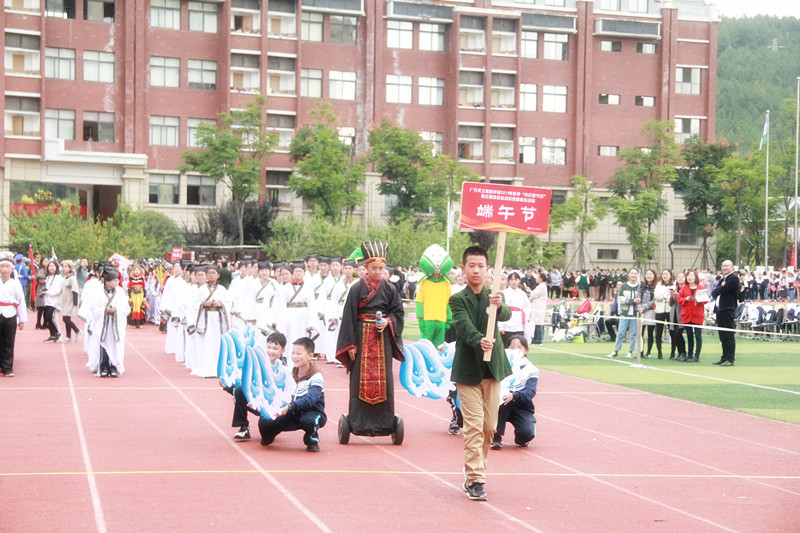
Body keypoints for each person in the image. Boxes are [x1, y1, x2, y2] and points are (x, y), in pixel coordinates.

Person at [449, 245, 512, 502]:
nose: (476, 270)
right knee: (474, 426)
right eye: (471, 266)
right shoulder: (457, 299)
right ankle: (476, 479)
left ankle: (475, 470)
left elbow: (506, 315)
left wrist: (500, 304)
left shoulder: (494, 296)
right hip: (468, 371)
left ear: (488, 270)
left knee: (489, 428)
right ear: (463, 269)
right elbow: (463, 326)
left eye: (481, 266)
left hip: (492, 369)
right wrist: (479, 340)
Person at [336, 241, 405, 437]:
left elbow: (398, 313)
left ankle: (385, 423)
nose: (377, 272)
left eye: (381, 268)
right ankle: (358, 422)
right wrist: (350, 344)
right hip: (360, 338)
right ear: (366, 268)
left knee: (384, 380)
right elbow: (349, 317)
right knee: (359, 380)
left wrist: (388, 322)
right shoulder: (356, 289)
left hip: (383, 340)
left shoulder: (390, 289)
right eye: (373, 268)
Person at [259, 337, 326, 452]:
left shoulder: (316, 376)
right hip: (290, 412)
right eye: (293, 353)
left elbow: (310, 399)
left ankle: (311, 440)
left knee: (309, 421)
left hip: (311, 412)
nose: (295, 357)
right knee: (265, 421)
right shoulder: (288, 372)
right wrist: (259, 402)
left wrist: (290, 406)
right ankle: (269, 435)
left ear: (310, 356)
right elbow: (274, 390)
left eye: (299, 354)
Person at [227, 332, 290, 440]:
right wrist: (227, 384)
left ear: (283, 350)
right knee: (239, 390)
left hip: (276, 407)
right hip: (258, 402)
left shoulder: (285, 369)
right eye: (268, 347)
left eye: (275, 348)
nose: (271, 351)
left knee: (267, 437)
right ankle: (243, 427)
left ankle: (272, 427)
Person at [491, 335, 538, 449]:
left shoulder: (531, 369)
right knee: (501, 401)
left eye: (519, 347)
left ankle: (523, 436)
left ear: (526, 350)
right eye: (512, 347)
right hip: (502, 404)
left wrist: (515, 395)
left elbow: (530, 392)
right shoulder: (500, 366)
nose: (516, 350)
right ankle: (496, 436)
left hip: (521, 405)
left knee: (526, 434)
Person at [89, 268, 131, 377]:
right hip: (103, 324)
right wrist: (105, 310)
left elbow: (126, 308)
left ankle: (114, 366)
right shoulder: (98, 292)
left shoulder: (120, 292)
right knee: (103, 343)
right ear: (107, 282)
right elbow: (93, 308)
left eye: (117, 280)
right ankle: (103, 366)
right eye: (114, 280)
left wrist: (115, 311)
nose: (116, 282)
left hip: (115, 324)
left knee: (115, 344)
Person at [192, 264, 231, 378]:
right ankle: (205, 369)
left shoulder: (222, 289)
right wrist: (204, 304)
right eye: (209, 273)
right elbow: (194, 304)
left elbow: (228, 303)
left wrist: (220, 304)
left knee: (217, 344)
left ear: (218, 275)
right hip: (206, 319)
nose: (211, 275)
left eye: (213, 273)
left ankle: (218, 369)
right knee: (205, 344)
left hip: (218, 320)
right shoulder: (202, 289)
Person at [0, 257, 27, 377]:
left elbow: (21, 301)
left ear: (11, 269)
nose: (5, 269)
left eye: (7, 267)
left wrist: (22, 320)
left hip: (10, 313)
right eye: (2, 267)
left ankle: (7, 367)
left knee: (9, 341)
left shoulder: (15, 284)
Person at [607, 268, 641, 359]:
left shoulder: (640, 286)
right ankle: (616, 350)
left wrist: (638, 302)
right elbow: (621, 299)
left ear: (637, 275)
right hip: (624, 313)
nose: (633, 275)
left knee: (633, 334)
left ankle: (630, 351)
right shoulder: (624, 286)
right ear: (629, 274)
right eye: (632, 273)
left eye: (635, 273)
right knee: (620, 333)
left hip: (635, 313)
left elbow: (641, 298)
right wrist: (632, 301)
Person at [712, 260, 739, 366]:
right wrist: (720, 288)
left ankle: (730, 358)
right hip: (720, 310)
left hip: (728, 309)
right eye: (723, 266)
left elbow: (724, 289)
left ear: (732, 267)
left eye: (727, 266)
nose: (724, 268)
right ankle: (724, 357)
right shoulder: (722, 279)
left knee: (728, 335)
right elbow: (714, 292)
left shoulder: (734, 278)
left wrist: (719, 288)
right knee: (722, 336)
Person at [676, 270, 706, 363]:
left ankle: (697, 355)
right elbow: (679, 299)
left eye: (692, 275)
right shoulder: (684, 288)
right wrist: (685, 299)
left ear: (695, 277)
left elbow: (705, 300)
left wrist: (698, 299)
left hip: (698, 314)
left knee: (698, 335)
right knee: (689, 336)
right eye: (688, 276)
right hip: (687, 315)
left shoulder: (700, 287)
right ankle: (689, 355)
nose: (690, 277)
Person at [59, 260, 81, 342]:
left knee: (65, 318)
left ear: (70, 268)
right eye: (63, 267)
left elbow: (75, 291)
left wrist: (75, 304)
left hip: (70, 301)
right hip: (65, 301)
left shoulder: (72, 279)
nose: (64, 268)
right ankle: (68, 337)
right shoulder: (64, 278)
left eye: (66, 267)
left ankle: (77, 331)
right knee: (67, 318)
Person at [637, 268, 657, 358]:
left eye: (651, 274)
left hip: (651, 310)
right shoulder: (641, 286)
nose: (649, 276)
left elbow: (654, 300)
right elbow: (638, 297)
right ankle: (640, 351)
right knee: (640, 332)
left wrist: (644, 307)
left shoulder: (656, 286)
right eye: (647, 274)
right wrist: (640, 308)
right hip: (640, 311)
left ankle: (648, 352)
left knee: (650, 332)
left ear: (654, 276)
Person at [42, 260, 63, 343]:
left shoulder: (59, 278)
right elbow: (48, 288)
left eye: (53, 266)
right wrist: (44, 291)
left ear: (56, 267)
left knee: (50, 317)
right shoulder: (48, 277)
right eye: (49, 266)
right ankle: (52, 335)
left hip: (54, 301)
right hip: (48, 300)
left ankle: (58, 332)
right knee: (47, 317)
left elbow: (57, 290)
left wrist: (48, 292)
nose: (51, 268)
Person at [528, 272, 548, 345]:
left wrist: (529, 291)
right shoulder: (540, 286)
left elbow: (534, 294)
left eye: (537, 277)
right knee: (535, 322)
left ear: (541, 279)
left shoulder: (542, 286)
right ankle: (535, 338)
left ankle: (538, 339)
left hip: (539, 306)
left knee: (538, 323)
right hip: (537, 306)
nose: (536, 279)